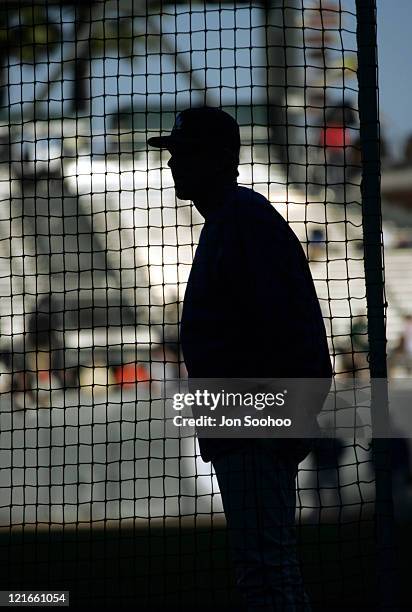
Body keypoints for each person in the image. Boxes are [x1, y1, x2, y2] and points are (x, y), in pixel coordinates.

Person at [148, 106, 332, 611]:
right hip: (246, 419)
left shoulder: (243, 220)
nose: (174, 164)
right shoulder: (232, 219)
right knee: (269, 566)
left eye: (186, 153)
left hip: (255, 420)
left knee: (264, 571)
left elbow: (291, 329)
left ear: (222, 159)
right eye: (174, 154)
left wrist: (292, 415)